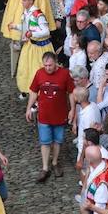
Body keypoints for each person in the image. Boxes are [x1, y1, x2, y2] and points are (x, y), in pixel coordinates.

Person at [25, 49, 75, 182]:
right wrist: (29, 108)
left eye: (50, 65)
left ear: (56, 63)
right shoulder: (39, 73)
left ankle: (54, 162)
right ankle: (45, 167)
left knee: (58, 140)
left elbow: (71, 92)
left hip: (60, 114)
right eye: (45, 65)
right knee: (45, 142)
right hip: (44, 115)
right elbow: (34, 92)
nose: (47, 68)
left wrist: (72, 110)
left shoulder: (65, 74)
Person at [10, 0, 54, 96]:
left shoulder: (38, 15)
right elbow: (26, 27)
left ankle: (40, 93)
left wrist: (32, 34)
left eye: (25, 0)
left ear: (31, 1)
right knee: (25, 69)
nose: (22, 2)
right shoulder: (26, 13)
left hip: (40, 48)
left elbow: (46, 31)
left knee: (37, 70)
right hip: (29, 46)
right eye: (23, 0)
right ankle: (27, 89)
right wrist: (15, 26)